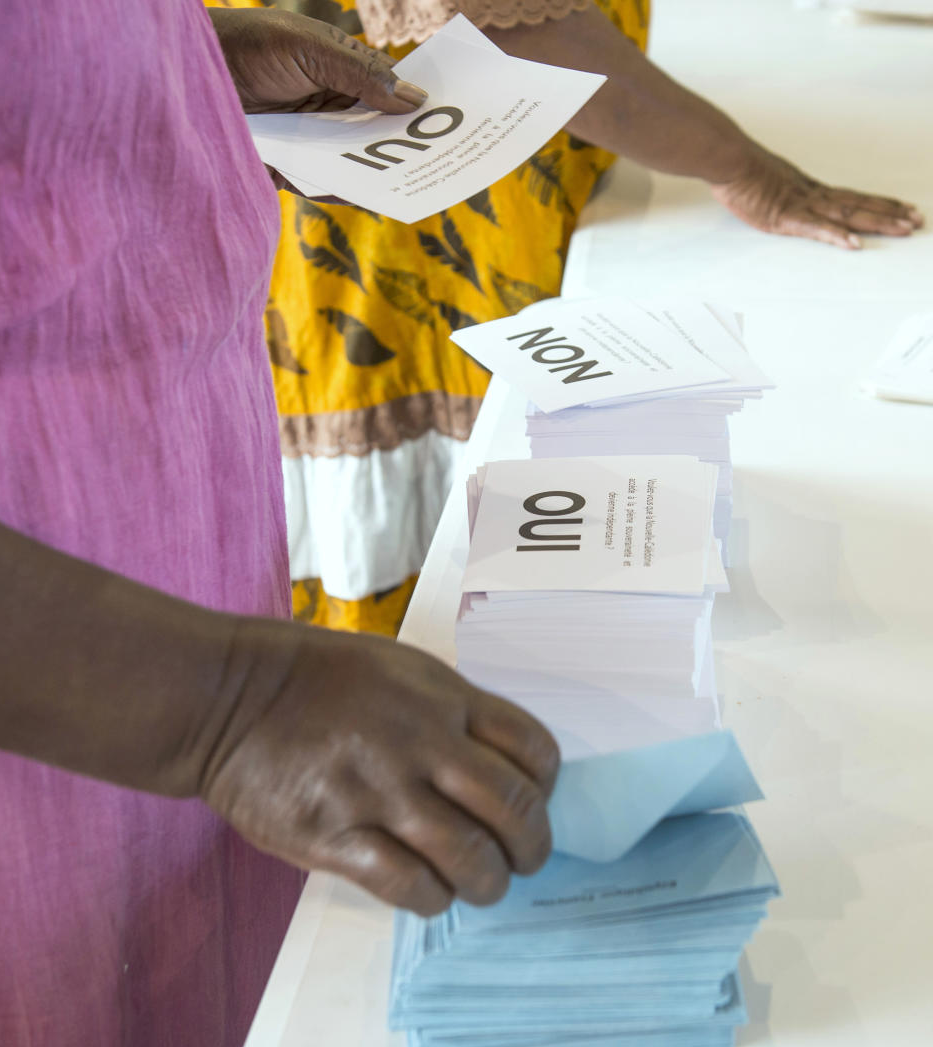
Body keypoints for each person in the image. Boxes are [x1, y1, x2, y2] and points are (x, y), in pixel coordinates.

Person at [0, 5, 558, 1047]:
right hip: (39, 679)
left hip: (171, 568)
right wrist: (227, 700)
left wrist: (166, 63)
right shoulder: (214, 699)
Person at [249, 0, 923, 635]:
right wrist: (746, 168)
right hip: (423, 218)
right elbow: (515, 29)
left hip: (498, 169)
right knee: (498, 545)